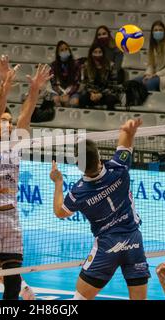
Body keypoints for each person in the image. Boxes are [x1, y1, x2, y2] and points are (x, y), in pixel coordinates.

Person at [0, 56, 52, 300]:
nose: (8, 124)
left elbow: (26, 114)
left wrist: (34, 89)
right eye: (4, 121)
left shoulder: (15, 144)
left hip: (11, 217)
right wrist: (4, 84)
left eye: (10, 121)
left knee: (13, 284)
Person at [50, 118, 150, 300]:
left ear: (78, 165)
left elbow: (60, 212)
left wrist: (58, 182)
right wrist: (129, 131)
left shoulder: (79, 193)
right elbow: (124, 145)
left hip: (107, 246)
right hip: (133, 240)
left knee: (80, 298)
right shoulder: (119, 167)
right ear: (98, 155)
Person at [134, 20, 165, 92]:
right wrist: (148, 74)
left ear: (164, 32)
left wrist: (155, 75)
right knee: (134, 82)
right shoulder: (152, 46)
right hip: (154, 75)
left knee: (149, 83)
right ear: (152, 32)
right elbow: (150, 64)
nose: (158, 32)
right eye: (155, 30)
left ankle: (151, 102)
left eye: (160, 30)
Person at [79, 43, 120, 110]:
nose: (97, 54)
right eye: (95, 52)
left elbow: (113, 86)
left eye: (100, 52)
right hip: (92, 93)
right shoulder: (86, 66)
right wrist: (92, 93)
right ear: (91, 53)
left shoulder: (111, 66)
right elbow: (84, 83)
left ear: (103, 53)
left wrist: (101, 94)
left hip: (106, 93)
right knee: (82, 99)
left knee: (111, 100)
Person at [49, 40, 82, 108]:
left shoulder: (76, 64)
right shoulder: (54, 65)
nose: (64, 51)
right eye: (61, 50)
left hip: (72, 91)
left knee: (74, 102)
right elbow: (53, 83)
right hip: (58, 91)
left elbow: (76, 83)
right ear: (58, 53)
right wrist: (62, 94)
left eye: (66, 49)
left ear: (69, 50)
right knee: (55, 100)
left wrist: (68, 94)